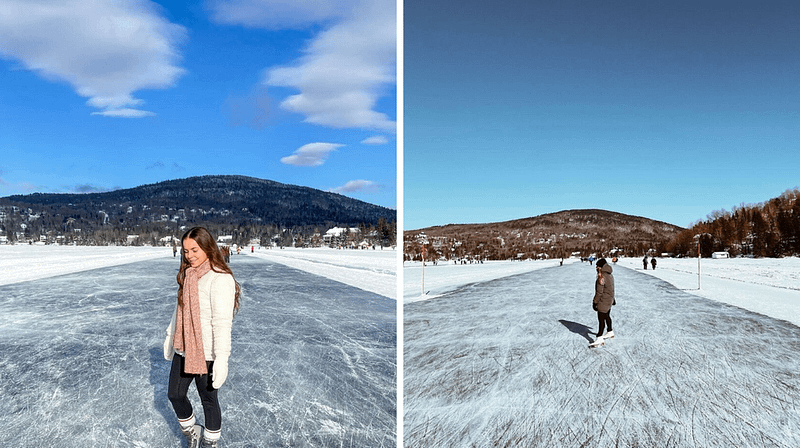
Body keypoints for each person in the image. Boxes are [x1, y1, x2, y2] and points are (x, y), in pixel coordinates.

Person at [164, 227, 240, 448]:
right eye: (186, 251)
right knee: (175, 395)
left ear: (207, 247)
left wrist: (222, 358)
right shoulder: (188, 275)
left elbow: (222, 323)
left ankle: (210, 444)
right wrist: (170, 336)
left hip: (207, 352)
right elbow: (179, 309)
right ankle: (193, 430)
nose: (189, 256)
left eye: (194, 250)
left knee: (208, 400)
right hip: (184, 347)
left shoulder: (220, 278)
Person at [590, 258, 615, 347]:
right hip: (609, 300)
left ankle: (599, 338)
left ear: (600, 267)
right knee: (607, 316)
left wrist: (595, 302)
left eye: (597, 266)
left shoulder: (601, 277)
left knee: (601, 320)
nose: (596, 268)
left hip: (603, 301)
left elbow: (599, 292)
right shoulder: (610, 275)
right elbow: (611, 288)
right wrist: (613, 299)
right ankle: (610, 331)